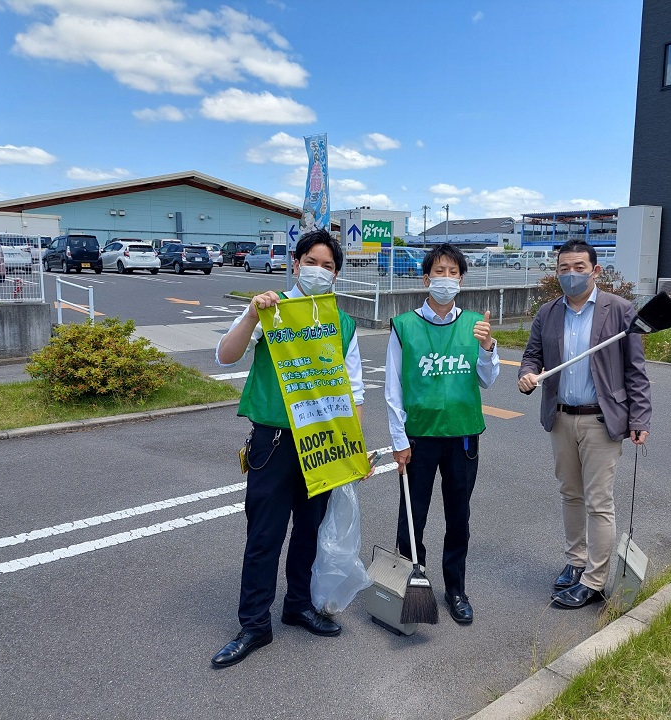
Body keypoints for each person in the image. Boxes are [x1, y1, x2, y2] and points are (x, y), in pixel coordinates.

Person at [210, 229, 364, 667]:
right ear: (295, 264)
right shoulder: (269, 307)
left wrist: (354, 452)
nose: (319, 271)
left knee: (309, 532)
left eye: (328, 266)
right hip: (274, 441)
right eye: (311, 262)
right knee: (264, 536)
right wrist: (252, 318)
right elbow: (225, 355)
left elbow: (354, 391)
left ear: (337, 275)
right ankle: (254, 624)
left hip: (323, 442)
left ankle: (297, 606)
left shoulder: (342, 322)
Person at [517, 240, 651, 609]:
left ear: (595, 271)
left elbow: (635, 372)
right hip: (561, 417)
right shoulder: (548, 312)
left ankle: (594, 579)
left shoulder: (620, 311)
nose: (571, 274)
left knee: (598, 501)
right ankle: (575, 562)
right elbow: (532, 356)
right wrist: (527, 376)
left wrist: (639, 417)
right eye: (564, 268)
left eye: (579, 267)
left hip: (600, 419)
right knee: (570, 495)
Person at [384, 243, 499, 624]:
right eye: (439, 271)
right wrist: (398, 440)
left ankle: (455, 589)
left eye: (453, 272)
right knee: (412, 516)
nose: (446, 279)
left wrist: (487, 347)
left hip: (463, 437)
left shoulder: (474, 325)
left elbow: (487, 380)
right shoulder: (404, 326)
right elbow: (392, 388)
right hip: (418, 437)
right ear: (425, 278)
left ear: (462, 280)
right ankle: (409, 582)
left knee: (458, 516)